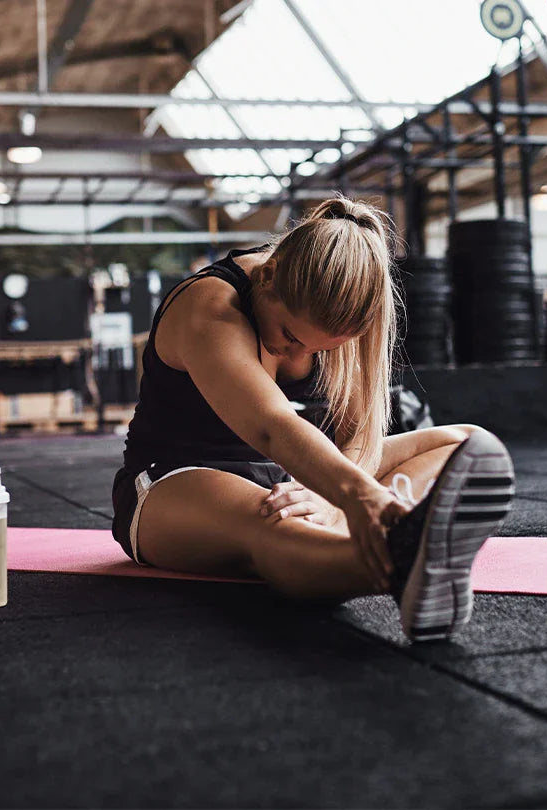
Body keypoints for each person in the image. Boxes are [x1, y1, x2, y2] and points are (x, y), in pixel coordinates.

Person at [110, 198, 515, 641]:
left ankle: (400, 541)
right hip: (173, 483)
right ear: (267, 277)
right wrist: (359, 499)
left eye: (318, 350)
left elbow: (362, 437)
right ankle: (399, 562)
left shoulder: (345, 314)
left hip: (287, 475)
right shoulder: (209, 305)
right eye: (290, 335)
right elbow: (272, 424)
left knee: (465, 441)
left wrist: (329, 499)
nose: (298, 354)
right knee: (273, 525)